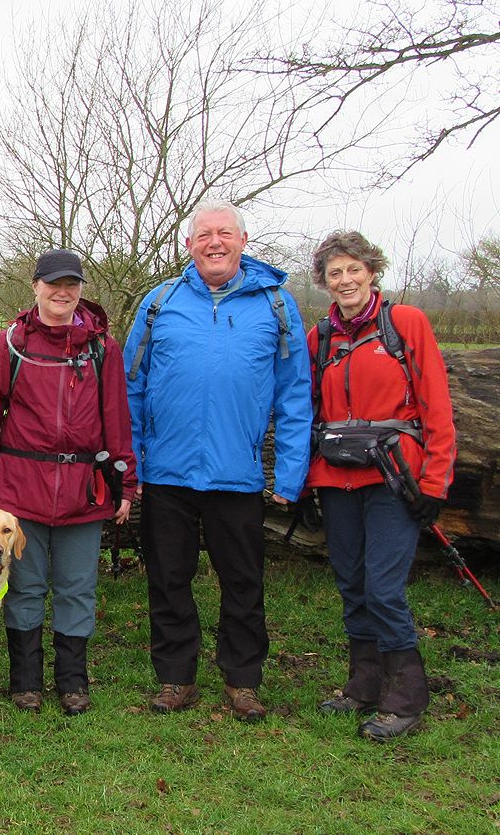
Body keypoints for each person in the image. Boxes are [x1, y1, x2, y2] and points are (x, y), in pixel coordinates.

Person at [123, 199, 311, 722]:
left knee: (243, 582)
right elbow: (131, 390)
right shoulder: (159, 303)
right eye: (204, 235)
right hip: (168, 472)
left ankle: (243, 681)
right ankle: (176, 676)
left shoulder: (276, 305)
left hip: (237, 473)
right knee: (168, 578)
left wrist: (291, 473)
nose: (214, 243)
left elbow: (295, 396)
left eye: (224, 234)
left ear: (243, 242)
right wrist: (130, 466)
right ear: (189, 245)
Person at [0, 250, 136, 716]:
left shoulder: (102, 348)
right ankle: (25, 681)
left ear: (81, 288)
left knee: (78, 586)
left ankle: (72, 681)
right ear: (36, 286)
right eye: (52, 283)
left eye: (71, 284)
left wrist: (125, 483)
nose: (61, 293)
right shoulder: (11, 345)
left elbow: (117, 422)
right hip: (19, 490)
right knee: (25, 586)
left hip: (86, 490)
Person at [304, 230, 455, 741]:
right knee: (351, 583)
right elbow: (310, 415)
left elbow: (437, 405)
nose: (345, 280)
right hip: (336, 479)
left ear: (372, 271)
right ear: (324, 282)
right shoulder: (320, 336)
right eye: (334, 273)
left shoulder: (405, 323)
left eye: (353, 269)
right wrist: (304, 484)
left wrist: (435, 482)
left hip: (394, 478)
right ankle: (364, 682)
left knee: (384, 587)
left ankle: (406, 695)